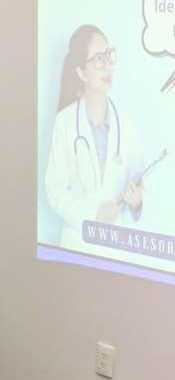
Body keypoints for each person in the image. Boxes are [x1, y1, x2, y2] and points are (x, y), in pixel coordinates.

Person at [45, 25, 144, 252]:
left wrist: (138, 201)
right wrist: (93, 214)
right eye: (99, 59)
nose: (107, 65)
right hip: (76, 246)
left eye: (108, 56)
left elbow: (141, 183)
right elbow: (54, 191)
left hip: (116, 251)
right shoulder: (65, 122)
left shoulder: (127, 125)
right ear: (81, 72)